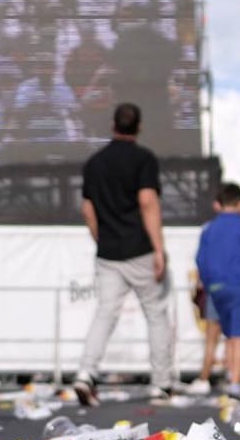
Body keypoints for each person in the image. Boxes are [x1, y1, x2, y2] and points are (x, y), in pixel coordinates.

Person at [70, 102, 174, 403]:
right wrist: (158, 249)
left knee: (105, 314)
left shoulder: (94, 163)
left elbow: (87, 208)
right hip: (139, 248)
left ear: (113, 125)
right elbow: (147, 202)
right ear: (139, 127)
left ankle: (85, 373)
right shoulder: (144, 160)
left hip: (108, 252)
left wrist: (102, 239)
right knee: (155, 315)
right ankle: (161, 383)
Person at [193, 182, 240, 396]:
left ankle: (213, 378)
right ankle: (235, 382)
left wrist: (208, 282)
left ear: (219, 203)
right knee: (238, 335)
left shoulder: (208, 228)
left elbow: (200, 260)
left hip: (215, 288)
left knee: (218, 335)